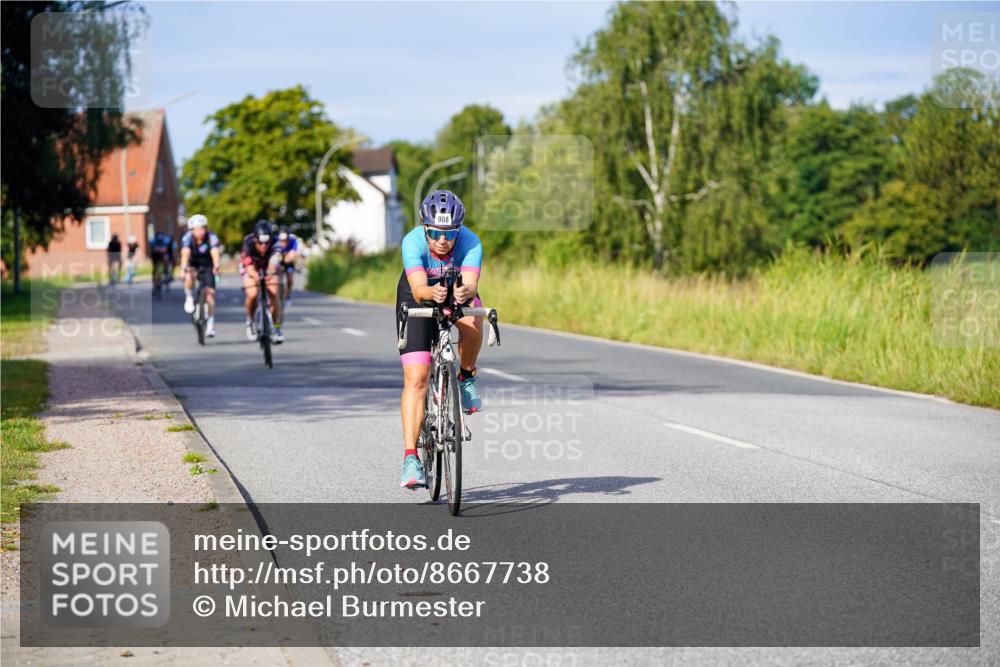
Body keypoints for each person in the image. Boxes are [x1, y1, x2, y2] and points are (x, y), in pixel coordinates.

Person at [395, 190, 484, 489]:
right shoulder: (412, 242)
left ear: (459, 229)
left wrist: (466, 292)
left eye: (450, 233)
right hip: (417, 291)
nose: (442, 240)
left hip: (453, 285)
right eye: (435, 232)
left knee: (473, 318)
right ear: (424, 228)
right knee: (417, 377)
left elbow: (470, 282)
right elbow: (419, 286)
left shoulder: (471, 242)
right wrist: (430, 294)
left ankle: (466, 377)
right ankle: (411, 458)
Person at [240, 220, 283, 343]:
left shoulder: (276, 242)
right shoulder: (247, 243)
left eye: (266, 243)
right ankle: (250, 321)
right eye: (260, 243)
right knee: (253, 293)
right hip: (252, 268)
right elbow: (249, 268)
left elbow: (274, 262)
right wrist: (256, 277)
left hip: (268, 267)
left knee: (274, 292)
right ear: (255, 240)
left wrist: (269, 274)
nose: (264, 246)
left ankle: (277, 328)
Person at [180, 214, 222, 337]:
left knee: (210, 295)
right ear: (192, 230)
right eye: (197, 229)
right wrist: (183, 268)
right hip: (193, 264)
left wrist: (216, 265)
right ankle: (189, 297)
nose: (200, 231)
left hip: (208, 265)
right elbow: (185, 253)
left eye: (202, 228)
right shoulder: (187, 238)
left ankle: (210, 323)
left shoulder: (212, 237)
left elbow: (215, 252)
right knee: (189, 275)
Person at [275, 225, 300, 308]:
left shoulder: (293, 240)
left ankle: (287, 295)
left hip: (288, 261)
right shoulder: (275, 239)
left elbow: (293, 254)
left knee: (290, 278)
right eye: (281, 240)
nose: (283, 242)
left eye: (285, 240)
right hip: (278, 260)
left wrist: (288, 257)